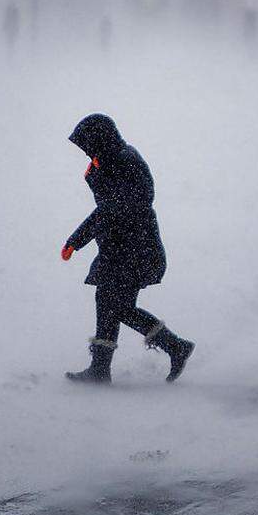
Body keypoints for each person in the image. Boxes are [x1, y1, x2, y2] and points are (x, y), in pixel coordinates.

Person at [61, 113, 194, 384]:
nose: (85, 151)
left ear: (99, 140)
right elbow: (108, 209)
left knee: (118, 306)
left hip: (134, 249)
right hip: (120, 248)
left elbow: (117, 207)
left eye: (87, 144)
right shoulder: (108, 161)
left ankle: (175, 346)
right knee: (108, 302)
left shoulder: (123, 161)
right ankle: (100, 368)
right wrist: (78, 240)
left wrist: (77, 239)